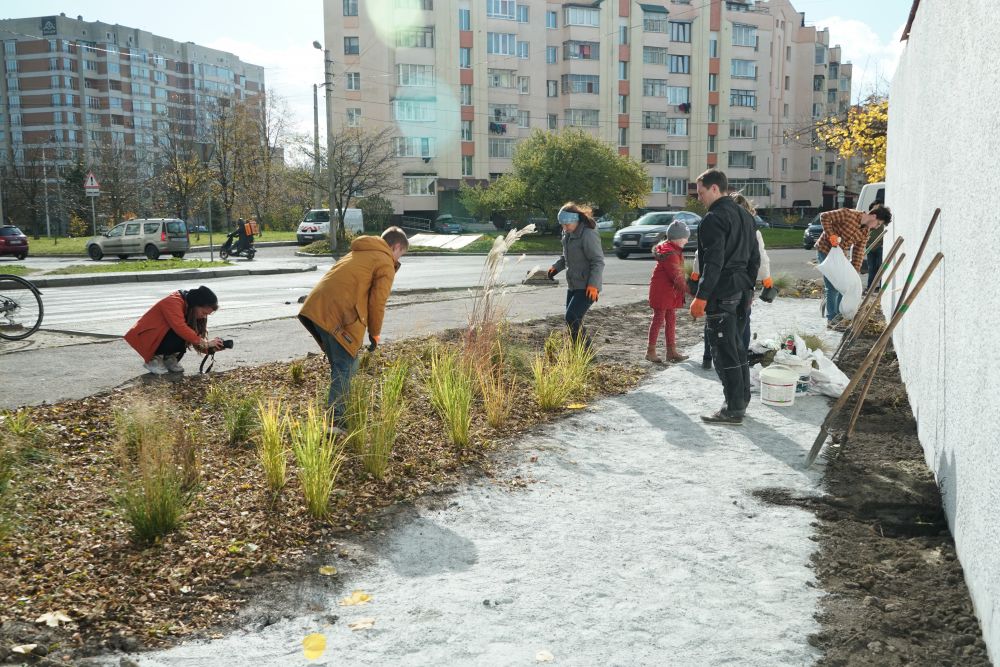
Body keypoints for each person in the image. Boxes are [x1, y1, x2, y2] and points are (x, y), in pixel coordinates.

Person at [298, 226, 409, 428]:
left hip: (317, 309)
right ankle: (336, 422)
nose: (398, 260)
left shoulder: (360, 251)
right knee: (345, 366)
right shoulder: (384, 261)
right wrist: (374, 334)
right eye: (400, 254)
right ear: (396, 247)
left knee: (343, 365)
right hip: (338, 315)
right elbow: (377, 303)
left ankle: (337, 415)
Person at [689, 169, 760, 425]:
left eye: (701, 193)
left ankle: (733, 409)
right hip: (741, 290)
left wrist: (701, 297)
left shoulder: (713, 218)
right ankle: (741, 400)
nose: (699, 198)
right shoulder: (745, 215)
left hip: (722, 291)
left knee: (724, 351)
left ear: (715, 188)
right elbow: (755, 257)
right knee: (737, 349)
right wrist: (749, 288)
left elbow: (713, 262)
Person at [694, 192, 774, 366]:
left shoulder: (718, 222)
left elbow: (703, 253)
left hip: (717, 283)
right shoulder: (751, 229)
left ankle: (708, 356)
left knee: (713, 319)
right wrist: (765, 277)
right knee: (742, 320)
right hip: (741, 283)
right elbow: (759, 257)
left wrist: (696, 272)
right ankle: (740, 357)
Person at [815, 201, 892, 326]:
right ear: (873, 216)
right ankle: (832, 320)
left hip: (840, 255)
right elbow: (824, 216)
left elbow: (858, 251)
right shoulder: (848, 214)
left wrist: (855, 271)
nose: (877, 227)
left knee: (845, 285)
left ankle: (839, 316)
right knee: (833, 286)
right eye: (878, 223)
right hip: (825, 250)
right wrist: (831, 236)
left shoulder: (865, 232)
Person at [124, 285, 224, 375]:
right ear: (195, 304)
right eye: (204, 313)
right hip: (146, 336)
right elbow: (180, 327)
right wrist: (205, 343)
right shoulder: (172, 301)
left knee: (189, 332)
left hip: (160, 336)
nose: (204, 317)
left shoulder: (192, 309)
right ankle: (153, 360)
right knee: (184, 331)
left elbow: (195, 337)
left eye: (207, 314)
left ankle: (168, 358)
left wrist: (210, 349)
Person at [547, 202, 605, 346]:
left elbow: (598, 261)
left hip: (587, 287)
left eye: (567, 224)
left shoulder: (588, 233)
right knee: (572, 321)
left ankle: (586, 352)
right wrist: (556, 268)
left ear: (576, 220)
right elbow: (566, 257)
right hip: (573, 285)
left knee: (572, 317)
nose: (564, 228)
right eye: (562, 225)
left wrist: (593, 285)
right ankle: (578, 353)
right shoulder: (568, 233)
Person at [647, 220, 689, 364]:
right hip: (661, 292)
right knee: (658, 319)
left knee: (671, 319)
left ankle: (671, 351)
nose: (687, 241)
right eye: (685, 238)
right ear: (677, 238)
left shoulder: (673, 250)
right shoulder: (670, 253)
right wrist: (693, 291)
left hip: (669, 292)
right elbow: (677, 277)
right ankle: (650, 351)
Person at [864, 203, 891, 293]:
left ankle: (880, 287)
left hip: (879, 247)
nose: (877, 226)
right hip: (869, 247)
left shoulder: (880, 222)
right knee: (871, 267)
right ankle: (870, 287)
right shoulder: (869, 223)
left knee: (880, 267)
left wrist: (882, 244)